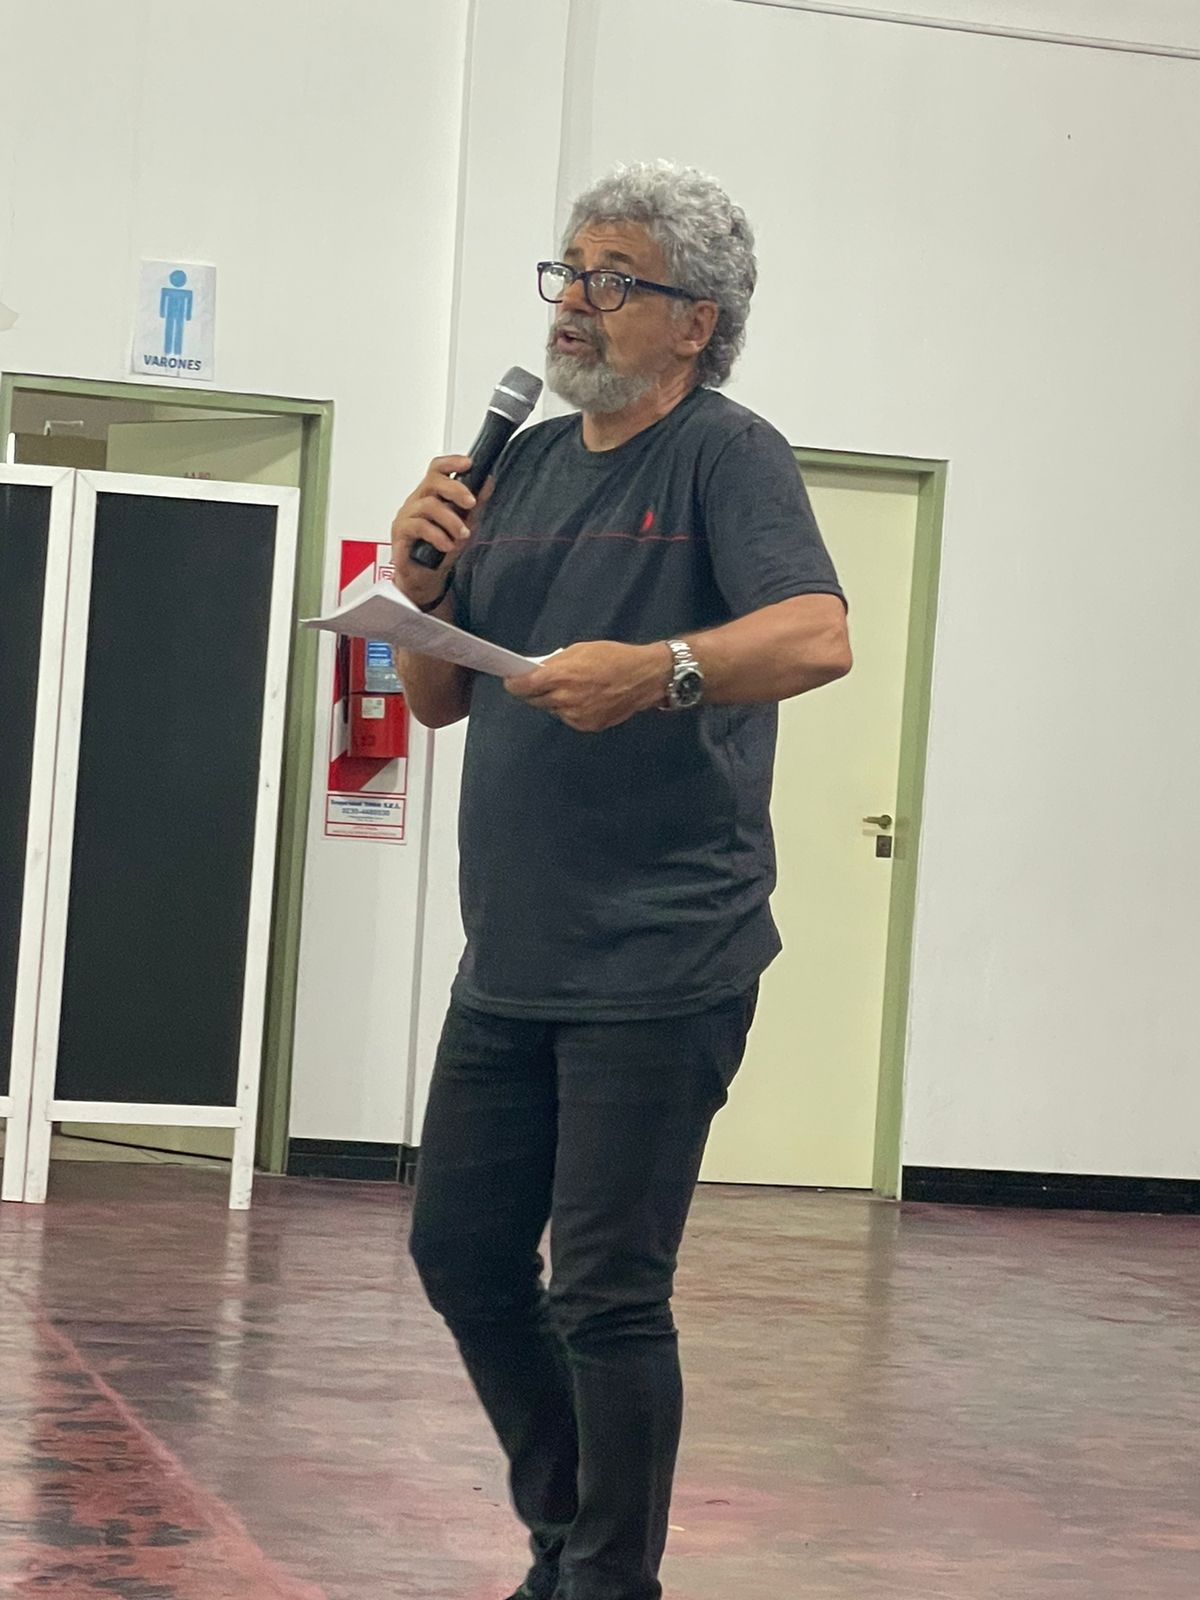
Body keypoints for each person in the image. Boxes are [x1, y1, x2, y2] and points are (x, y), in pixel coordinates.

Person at [392, 160, 851, 1600]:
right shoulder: (518, 465)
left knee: (605, 1291)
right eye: (568, 272)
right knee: (464, 1254)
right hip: (511, 956)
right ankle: (569, 1530)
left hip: (663, 954)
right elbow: (436, 699)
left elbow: (819, 636)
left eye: (612, 279)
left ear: (695, 321)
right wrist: (416, 585)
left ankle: (606, 1579)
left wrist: (663, 671)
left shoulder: (728, 456)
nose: (574, 302)